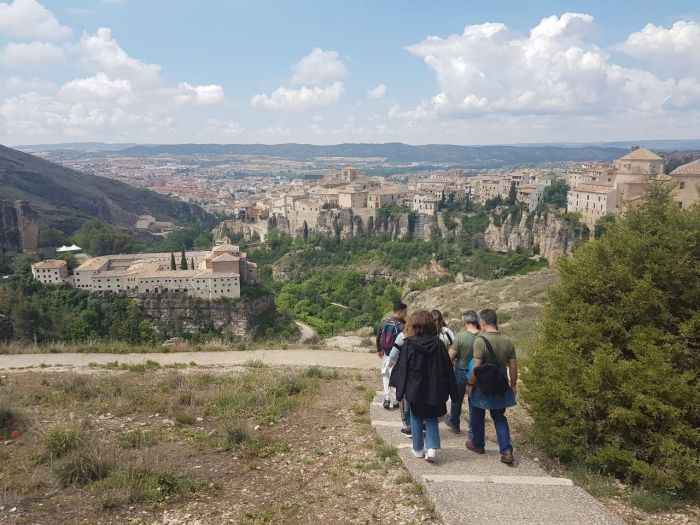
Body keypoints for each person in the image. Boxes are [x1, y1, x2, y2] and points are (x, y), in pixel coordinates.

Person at [390, 310, 458, 463]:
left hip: (414, 389)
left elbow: (403, 369)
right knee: (432, 417)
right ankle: (432, 448)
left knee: (416, 417)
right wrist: (454, 392)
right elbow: (448, 368)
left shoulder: (408, 344)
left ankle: (418, 449)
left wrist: (399, 392)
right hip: (435, 388)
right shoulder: (439, 344)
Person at [465, 309, 518, 464]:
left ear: (482, 322)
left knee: (476, 412)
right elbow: (513, 367)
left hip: (483, 383)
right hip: (500, 381)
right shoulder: (508, 341)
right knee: (499, 417)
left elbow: (476, 367)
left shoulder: (480, 341)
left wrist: (470, 384)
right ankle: (507, 451)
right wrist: (513, 385)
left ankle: (478, 444)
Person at [445, 310, 480, 435]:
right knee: (474, 402)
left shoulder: (461, 336)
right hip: (478, 374)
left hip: (461, 371)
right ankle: (473, 431)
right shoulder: (483, 336)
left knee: (457, 399)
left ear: (465, 322)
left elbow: (450, 356)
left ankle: (454, 422)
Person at [376, 302, 407, 410]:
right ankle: (396, 401)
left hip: (386, 354)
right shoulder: (402, 326)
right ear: (400, 312)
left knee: (386, 376)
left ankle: (386, 398)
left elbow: (379, 335)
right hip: (398, 357)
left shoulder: (385, 322)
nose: (406, 314)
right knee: (396, 378)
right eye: (405, 312)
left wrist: (379, 349)